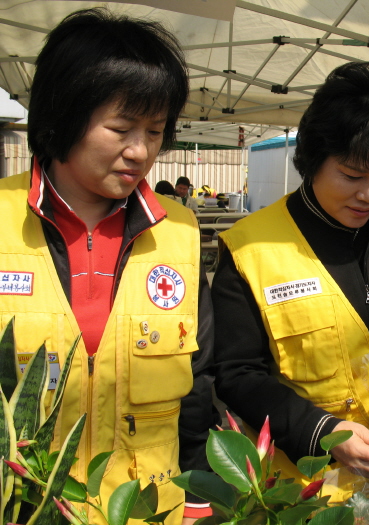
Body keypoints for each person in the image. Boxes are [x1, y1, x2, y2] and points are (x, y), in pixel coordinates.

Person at [0, 8, 217, 524]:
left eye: (155, 131)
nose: (140, 151)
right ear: (62, 116)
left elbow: (199, 386)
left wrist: (196, 501)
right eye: (120, 128)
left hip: (148, 511)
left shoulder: (180, 233)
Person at [212, 61, 369, 500]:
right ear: (313, 160)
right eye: (351, 176)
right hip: (308, 488)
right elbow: (236, 374)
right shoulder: (248, 249)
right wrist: (322, 432)